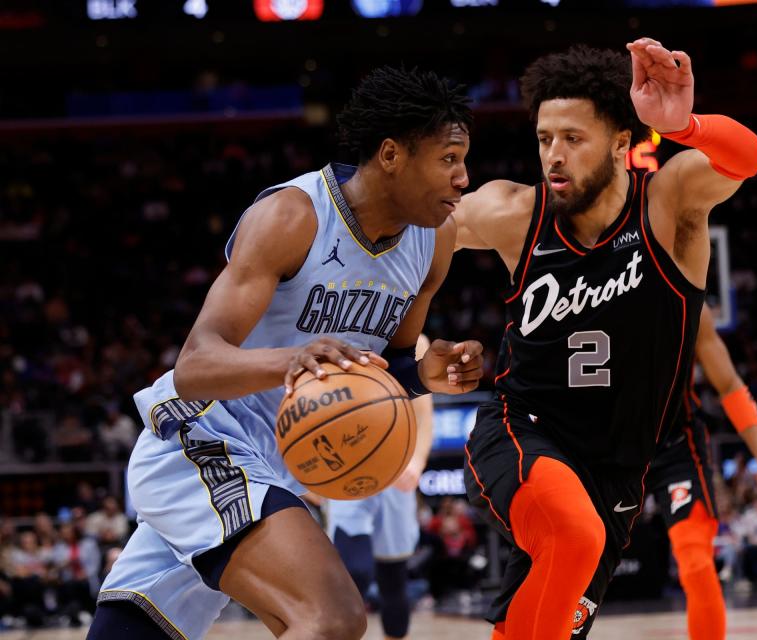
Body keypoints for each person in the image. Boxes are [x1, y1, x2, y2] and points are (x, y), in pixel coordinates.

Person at [88, 66, 484, 640]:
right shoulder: (294, 215)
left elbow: (389, 367)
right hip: (203, 441)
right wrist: (291, 359)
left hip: (273, 464)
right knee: (331, 618)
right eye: (448, 159)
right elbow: (195, 366)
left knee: (134, 628)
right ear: (393, 154)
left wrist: (424, 374)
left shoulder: (434, 241)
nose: (463, 178)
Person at [454, 40, 757, 639]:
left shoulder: (668, 206)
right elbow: (422, 239)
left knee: (532, 623)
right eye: (545, 138)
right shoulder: (515, 212)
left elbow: (749, 157)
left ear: (623, 142)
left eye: (573, 138)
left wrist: (686, 126)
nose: (554, 155)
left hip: (618, 471)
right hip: (522, 431)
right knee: (574, 535)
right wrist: (410, 346)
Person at [646, 305, 757, 640]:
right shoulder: (588, 281)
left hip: (675, 448)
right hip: (606, 448)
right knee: (573, 565)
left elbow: (729, 384)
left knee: (696, 563)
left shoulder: (687, 301)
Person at [327, 334, 435, 640]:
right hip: (350, 467)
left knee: (394, 582)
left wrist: (416, 464)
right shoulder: (336, 332)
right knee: (355, 572)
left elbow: (423, 413)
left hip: (397, 465)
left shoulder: (417, 341)